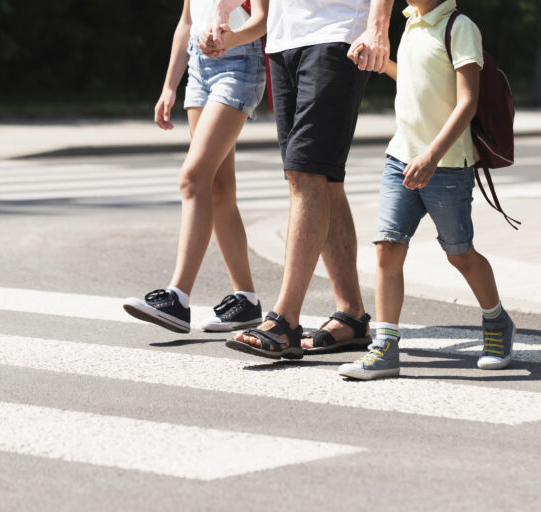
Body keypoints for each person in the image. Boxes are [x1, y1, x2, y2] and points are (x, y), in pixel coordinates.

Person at [205, 0, 393, 359]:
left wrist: (378, 26)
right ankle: (352, 316)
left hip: (338, 35)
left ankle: (285, 321)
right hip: (282, 40)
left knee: (305, 174)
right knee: (323, 179)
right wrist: (223, 13)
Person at [338, 0, 516, 379]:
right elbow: (415, 81)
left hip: (446, 166)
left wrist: (432, 156)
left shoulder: (460, 27)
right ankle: (385, 347)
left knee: (460, 253)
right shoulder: (411, 23)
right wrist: (376, 60)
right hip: (400, 157)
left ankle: (497, 322)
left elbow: (467, 103)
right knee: (387, 247)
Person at [123, 0, 269, 334]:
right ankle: (246, 300)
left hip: (238, 65)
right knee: (218, 189)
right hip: (199, 69)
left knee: (192, 178)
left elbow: (262, 21)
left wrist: (229, 40)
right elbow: (186, 22)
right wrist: (169, 86)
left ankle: (177, 297)